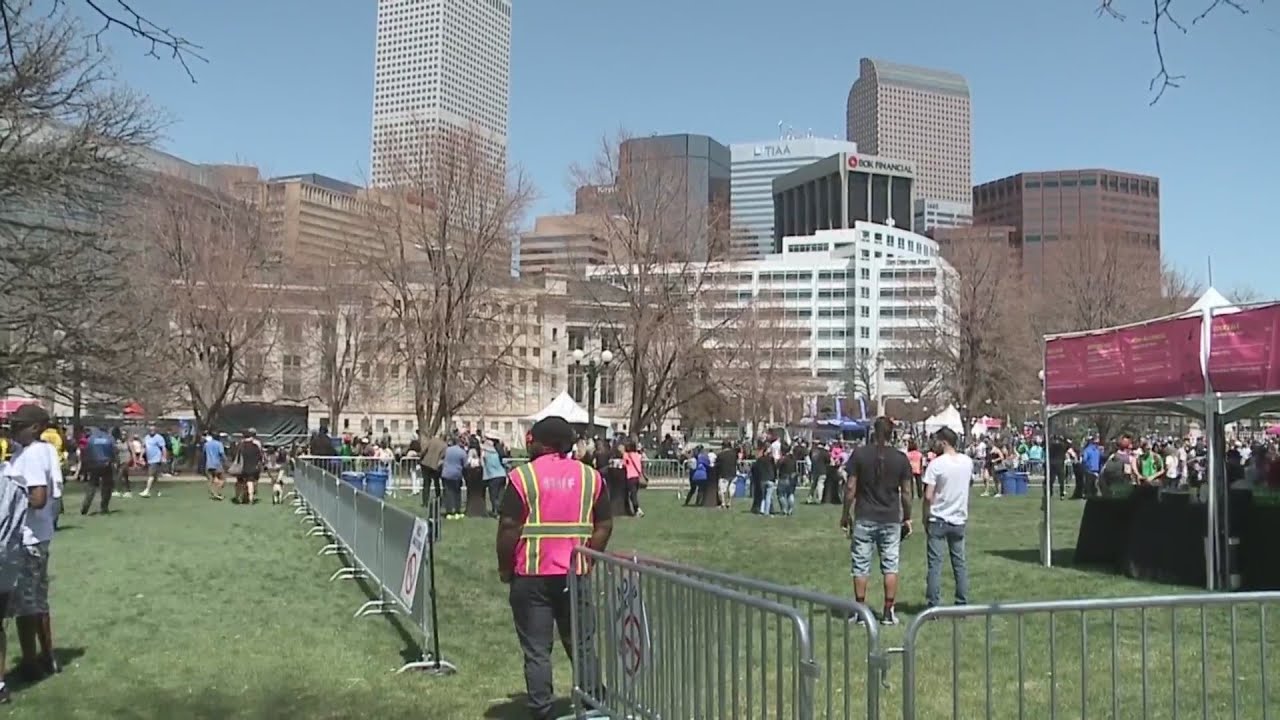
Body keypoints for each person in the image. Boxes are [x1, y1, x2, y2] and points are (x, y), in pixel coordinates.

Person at [495, 416, 612, 720]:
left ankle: (542, 710)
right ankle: (593, 707)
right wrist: (589, 557)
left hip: (531, 576)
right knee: (582, 644)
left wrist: (505, 568)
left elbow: (509, 527)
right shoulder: (591, 478)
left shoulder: (523, 478)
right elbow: (605, 524)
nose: (528, 443)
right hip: (575, 574)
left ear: (543, 443)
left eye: (532, 439)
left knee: (537, 650)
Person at [1, 404, 59, 694]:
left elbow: (38, 497)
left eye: (18, 426)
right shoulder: (38, 450)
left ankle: (30, 662)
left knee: (25, 605)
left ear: (35, 427)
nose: (13, 430)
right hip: (36, 536)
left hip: (28, 539)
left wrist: (9, 501)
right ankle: (47, 657)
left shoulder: (34, 453)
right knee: (36, 600)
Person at [842, 417, 914, 625]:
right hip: (890, 517)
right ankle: (888, 611)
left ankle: (860, 610)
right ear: (892, 434)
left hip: (865, 515)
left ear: (873, 431)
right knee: (890, 566)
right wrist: (907, 516)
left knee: (861, 565)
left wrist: (846, 514)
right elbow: (907, 493)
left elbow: (850, 488)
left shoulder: (860, 454)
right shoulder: (900, 459)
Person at [922, 427, 971, 608]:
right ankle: (962, 602)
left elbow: (928, 496)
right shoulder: (967, 462)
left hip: (939, 517)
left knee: (935, 564)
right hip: (958, 518)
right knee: (959, 563)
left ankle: (933, 604)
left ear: (943, 442)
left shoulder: (937, 464)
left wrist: (925, 515)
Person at [78, 426, 116, 515]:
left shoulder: (91, 439)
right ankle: (104, 507)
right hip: (106, 464)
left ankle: (85, 507)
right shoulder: (109, 438)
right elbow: (113, 451)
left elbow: (87, 451)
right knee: (107, 486)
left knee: (92, 486)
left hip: (94, 464)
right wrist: (113, 460)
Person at [232, 429, 264, 505]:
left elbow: (234, 455)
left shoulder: (240, 445)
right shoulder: (255, 446)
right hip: (253, 467)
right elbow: (260, 457)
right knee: (250, 483)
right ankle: (251, 498)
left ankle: (238, 498)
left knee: (240, 482)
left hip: (241, 467)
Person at [440, 438, 467, 519]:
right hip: (457, 474)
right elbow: (465, 464)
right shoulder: (462, 452)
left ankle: (449, 512)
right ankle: (457, 511)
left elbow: (442, 458)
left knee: (448, 493)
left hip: (446, 473)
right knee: (457, 493)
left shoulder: (447, 450)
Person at [481, 437, 507, 517]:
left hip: (492, 476)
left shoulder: (485, 453)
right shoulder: (496, 452)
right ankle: (501, 510)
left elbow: (482, 464)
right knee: (501, 495)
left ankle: (495, 511)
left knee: (493, 495)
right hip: (502, 474)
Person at [141, 426, 167, 498]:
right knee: (154, 477)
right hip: (149, 459)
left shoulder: (159, 438)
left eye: (153, 430)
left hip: (156, 459)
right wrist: (140, 457)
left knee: (151, 475)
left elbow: (163, 448)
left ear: (155, 430)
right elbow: (144, 448)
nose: (152, 431)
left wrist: (164, 457)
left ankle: (147, 491)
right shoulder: (146, 437)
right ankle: (158, 491)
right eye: (150, 430)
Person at [203, 431, 227, 501]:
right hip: (217, 464)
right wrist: (226, 461)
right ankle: (216, 492)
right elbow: (222, 453)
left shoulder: (206, 444)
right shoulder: (219, 444)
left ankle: (213, 492)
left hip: (208, 464)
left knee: (211, 480)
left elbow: (204, 453)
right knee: (223, 479)